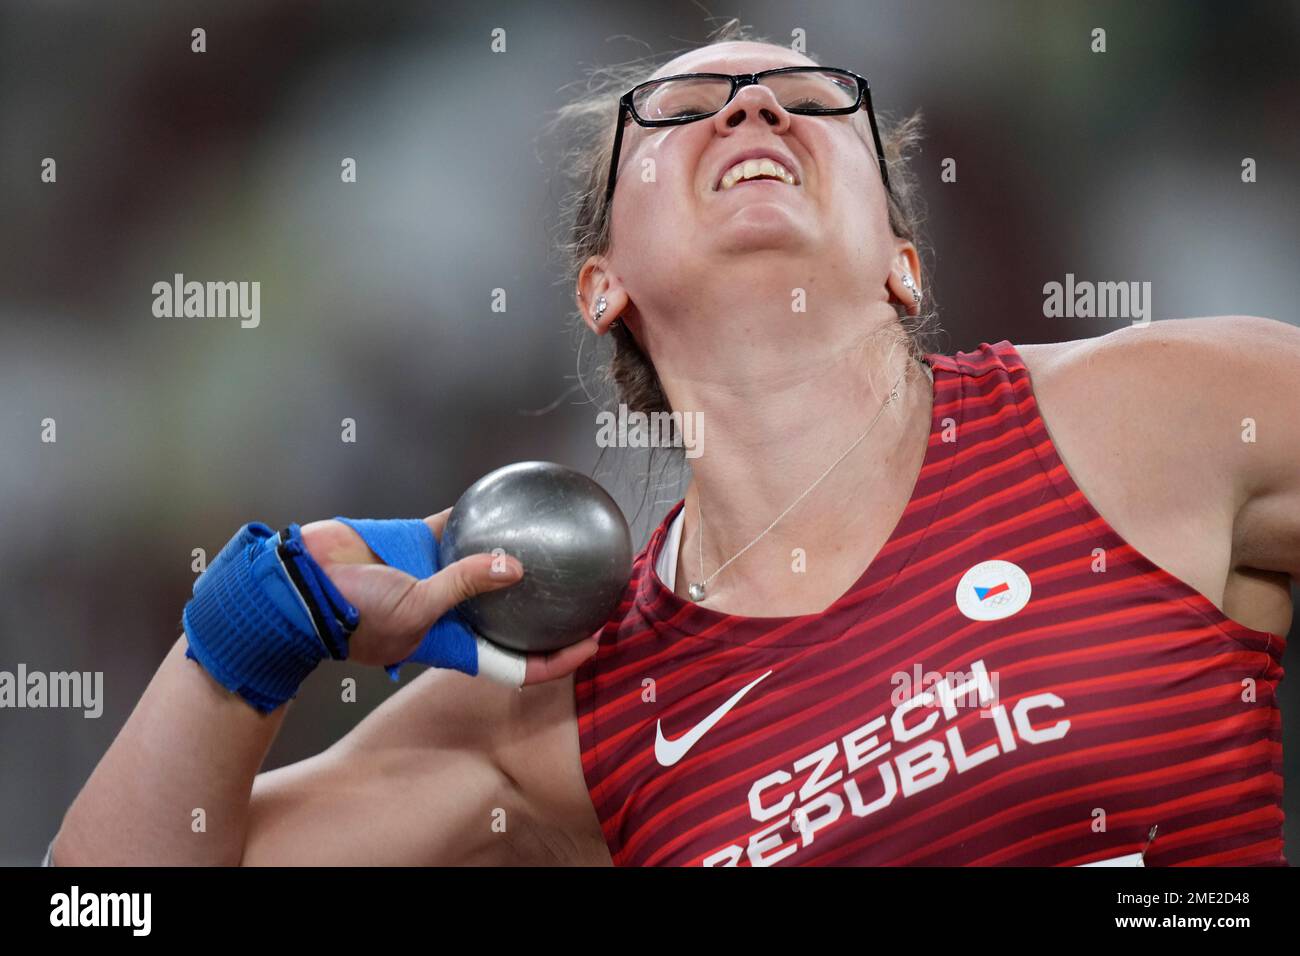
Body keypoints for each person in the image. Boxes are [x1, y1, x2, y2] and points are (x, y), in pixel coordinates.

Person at [50, 28, 1296, 868]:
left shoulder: (1152, 414)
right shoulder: (566, 716)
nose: (754, 107)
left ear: (902, 263)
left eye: (814, 103)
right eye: (682, 112)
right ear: (603, 286)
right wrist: (259, 624)